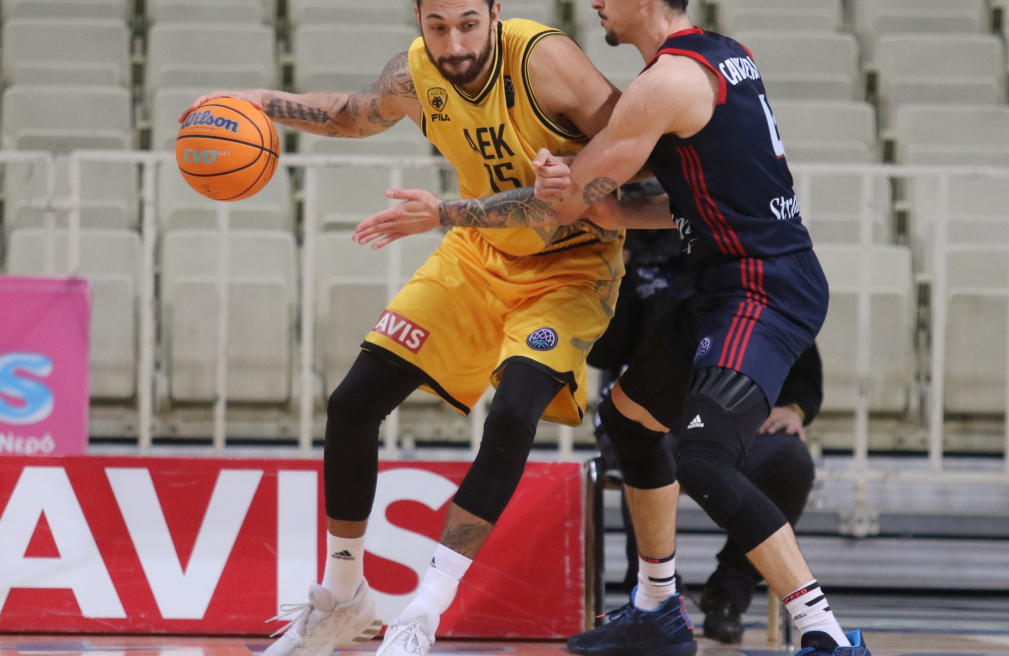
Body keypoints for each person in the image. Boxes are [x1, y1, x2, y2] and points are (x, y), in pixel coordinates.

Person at [348, 0, 872, 655]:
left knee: (705, 457)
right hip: (723, 276)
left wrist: (495, 200)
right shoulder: (723, 52)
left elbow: (563, 205)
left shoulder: (665, 85)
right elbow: (678, 199)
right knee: (628, 421)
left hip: (759, 284)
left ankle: (824, 633)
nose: (595, 1)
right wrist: (611, 208)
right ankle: (657, 608)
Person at [181, 3, 626, 656]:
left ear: (497, 12)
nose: (453, 41)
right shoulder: (415, 74)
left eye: (469, 23)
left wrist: (576, 177)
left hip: (570, 265)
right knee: (352, 404)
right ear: (418, 17)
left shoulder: (546, 61)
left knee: (512, 416)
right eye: (437, 24)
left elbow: (635, 151)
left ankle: (425, 608)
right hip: (478, 253)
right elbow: (349, 115)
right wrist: (258, 101)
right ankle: (342, 596)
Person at [589, 219, 823, 645]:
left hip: (731, 413)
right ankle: (655, 599)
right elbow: (602, 351)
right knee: (643, 444)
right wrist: (615, 271)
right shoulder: (635, 258)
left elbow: (801, 359)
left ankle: (729, 595)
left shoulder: (745, 258)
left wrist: (795, 409)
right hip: (655, 411)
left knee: (789, 461)